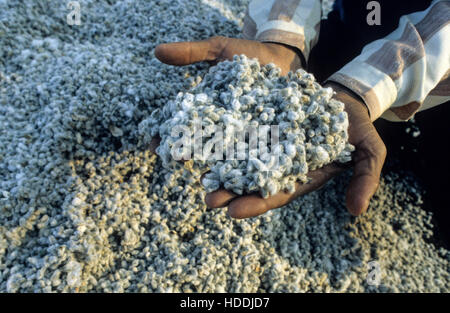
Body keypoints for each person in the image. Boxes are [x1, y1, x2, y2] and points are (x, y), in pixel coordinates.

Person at [153, 0, 450, 219]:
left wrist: (367, 88)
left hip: (441, 75)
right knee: (326, 89)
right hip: (350, 28)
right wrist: (281, 35)